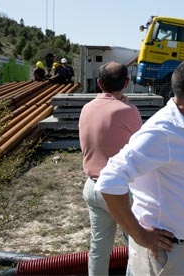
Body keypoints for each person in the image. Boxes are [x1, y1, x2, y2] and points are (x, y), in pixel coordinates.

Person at [95, 58, 184, 275]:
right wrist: (139, 234)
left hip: (179, 249)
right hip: (163, 254)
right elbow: (109, 180)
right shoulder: (163, 132)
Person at [79, 61, 143, 276]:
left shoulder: (86, 108)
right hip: (120, 190)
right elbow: (141, 148)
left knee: (99, 247)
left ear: (98, 83)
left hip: (93, 187)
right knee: (136, 246)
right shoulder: (128, 111)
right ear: (126, 83)